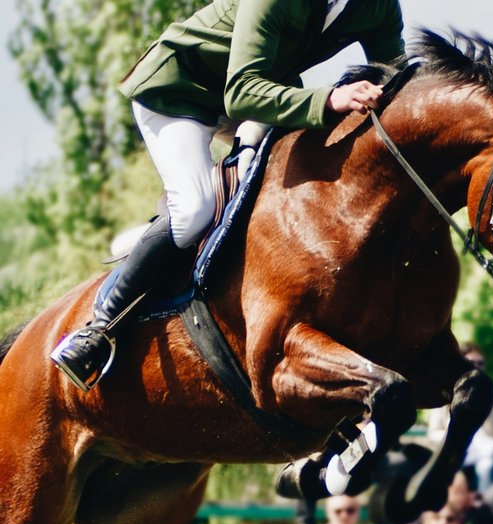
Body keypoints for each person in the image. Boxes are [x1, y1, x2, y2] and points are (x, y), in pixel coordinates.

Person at [51, 0, 405, 391]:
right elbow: (241, 94)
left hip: (257, 92)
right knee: (195, 210)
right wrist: (328, 99)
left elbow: (398, 77)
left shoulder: (378, 6)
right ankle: (100, 328)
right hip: (180, 93)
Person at [427, 342, 493, 491]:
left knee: (486, 467)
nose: (476, 368)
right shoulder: (446, 389)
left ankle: (483, 505)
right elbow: (433, 431)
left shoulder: (492, 390)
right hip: (451, 445)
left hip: (483, 448)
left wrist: (483, 404)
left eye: (480, 363)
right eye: (471, 363)